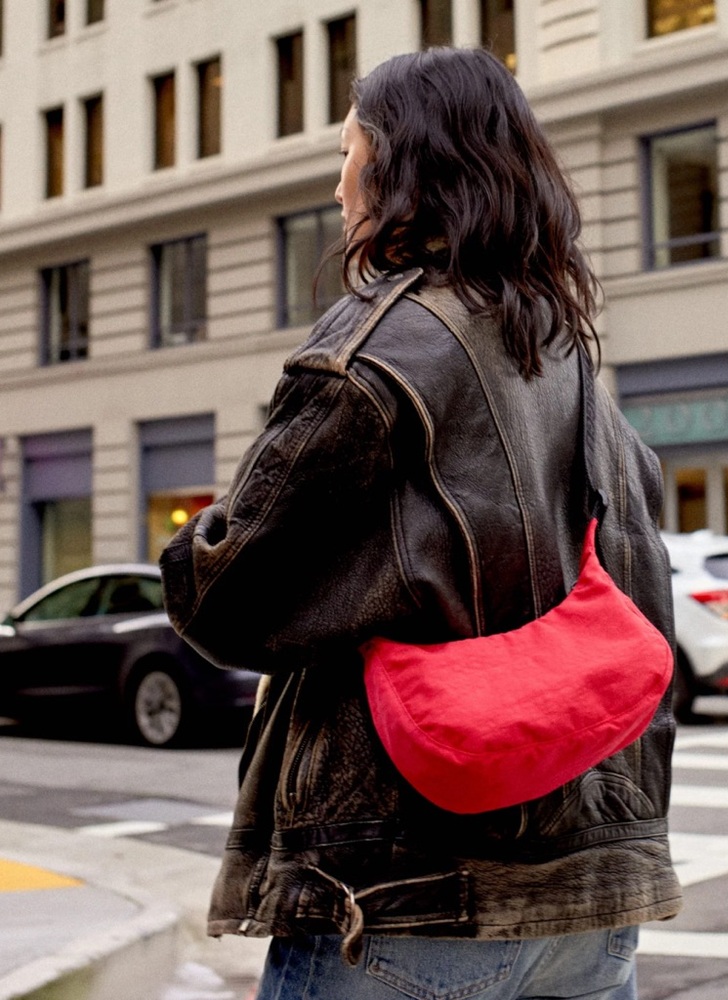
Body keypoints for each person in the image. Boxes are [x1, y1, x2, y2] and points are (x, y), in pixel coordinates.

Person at [161, 46, 681, 1000]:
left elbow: (228, 598)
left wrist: (191, 545)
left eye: (347, 149)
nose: (336, 179)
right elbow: (648, 600)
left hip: (403, 897)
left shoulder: (377, 346)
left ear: (398, 166)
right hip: (592, 901)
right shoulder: (563, 350)